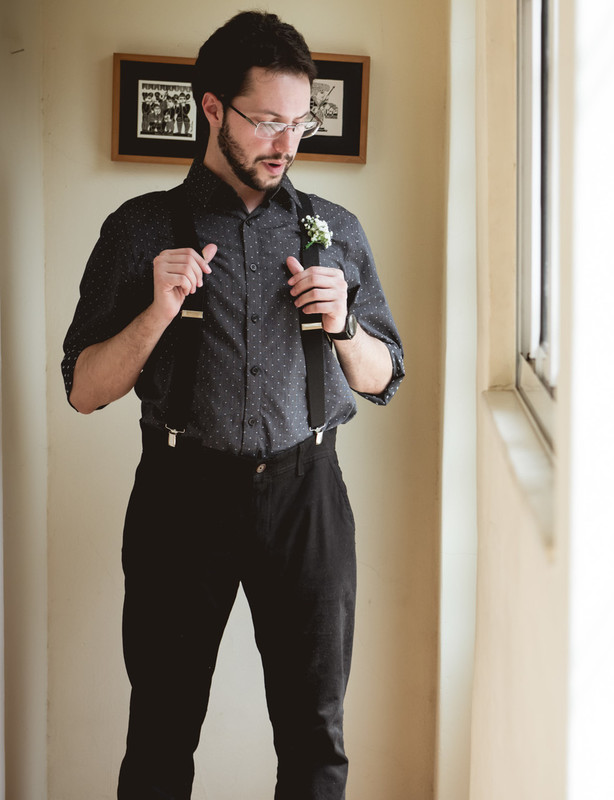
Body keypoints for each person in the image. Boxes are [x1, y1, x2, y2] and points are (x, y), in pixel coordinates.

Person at [61, 11, 404, 799]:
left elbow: (384, 376)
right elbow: (84, 389)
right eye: (265, 122)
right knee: (161, 732)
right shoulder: (137, 228)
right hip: (181, 497)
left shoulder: (336, 232)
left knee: (317, 738)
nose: (285, 143)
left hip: (307, 495)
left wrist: (344, 322)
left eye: (298, 122)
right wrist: (156, 308)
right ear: (212, 109)